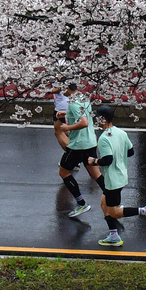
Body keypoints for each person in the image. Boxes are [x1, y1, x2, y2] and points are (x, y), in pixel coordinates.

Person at [87, 105, 146, 247]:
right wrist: (119, 154)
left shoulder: (103, 138)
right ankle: (114, 235)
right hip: (120, 176)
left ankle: (145, 211)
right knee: (104, 203)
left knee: (114, 212)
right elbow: (130, 152)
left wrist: (93, 161)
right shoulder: (121, 133)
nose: (96, 120)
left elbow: (107, 160)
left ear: (103, 119)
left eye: (97, 118)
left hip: (113, 180)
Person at [56, 84, 103, 218]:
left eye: (62, 88)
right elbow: (84, 113)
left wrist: (67, 127)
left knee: (64, 172)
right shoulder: (83, 97)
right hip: (90, 142)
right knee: (97, 175)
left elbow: (84, 122)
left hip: (78, 145)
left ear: (68, 88)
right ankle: (114, 202)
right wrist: (67, 113)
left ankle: (81, 203)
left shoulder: (73, 103)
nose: (60, 91)